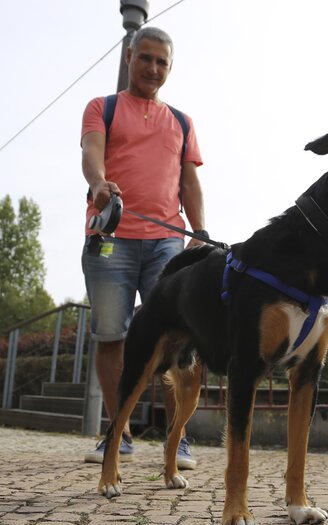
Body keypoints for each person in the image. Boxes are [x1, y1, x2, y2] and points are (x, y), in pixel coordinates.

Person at [80, 26, 205, 469]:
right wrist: (99, 183)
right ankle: (119, 433)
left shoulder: (182, 122)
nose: (153, 68)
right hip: (109, 240)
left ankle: (178, 438)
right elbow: (91, 153)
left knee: (178, 337)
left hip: (167, 244)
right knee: (111, 336)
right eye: (145, 58)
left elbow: (190, 181)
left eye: (161, 62)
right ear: (129, 57)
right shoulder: (103, 107)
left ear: (170, 68)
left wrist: (200, 230)